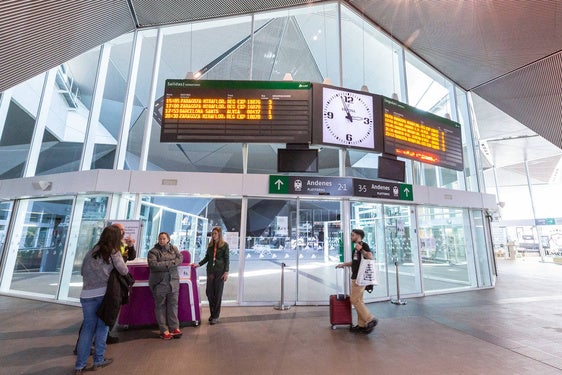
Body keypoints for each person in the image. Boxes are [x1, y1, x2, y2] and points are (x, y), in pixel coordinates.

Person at [74, 225, 129, 374]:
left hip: (86, 295)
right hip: (105, 296)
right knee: (103, 328)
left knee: (87, 329)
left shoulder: (91, 252)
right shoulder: (114, 253)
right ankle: (98, 360)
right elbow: (124, 270)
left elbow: (81, 272)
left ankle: (80, 365)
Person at [336, 229, 378, 334]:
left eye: (353, 235)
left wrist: (361, 250)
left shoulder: (364, 245)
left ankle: (370, 319)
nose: (351, 236)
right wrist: (344, 264)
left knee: (354, 300)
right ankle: (361, 325)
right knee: (359, 300)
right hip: (355, 276)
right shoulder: (355, 248)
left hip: (360, 277)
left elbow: (369, 256)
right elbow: (355, 262)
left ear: (358, 236)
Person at [147, 232, 183, 340]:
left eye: (164, 238)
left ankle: (174, 327)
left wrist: (166, 264)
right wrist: (170, 264)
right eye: (160, 238)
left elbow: (180, 258)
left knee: (173, 305)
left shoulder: (174, 248)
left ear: (168, 239)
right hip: (160, 283)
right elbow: (153, 265)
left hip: (174, 282)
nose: (161, 240)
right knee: (160, 306)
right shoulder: (153, 252)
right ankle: (164, 330)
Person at [193, 226, 229, 325]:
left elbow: (227, 259)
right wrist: (198, 264)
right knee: (209, 293)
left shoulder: (224, 245)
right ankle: (213, 314)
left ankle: (215, 316)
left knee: (217, 294)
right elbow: (207, 258)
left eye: (215, 234)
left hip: (220, 272)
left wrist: (226, 272)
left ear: (219, 235)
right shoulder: (210, 246)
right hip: (210, 272)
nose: (213, 235)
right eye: (212, 234)